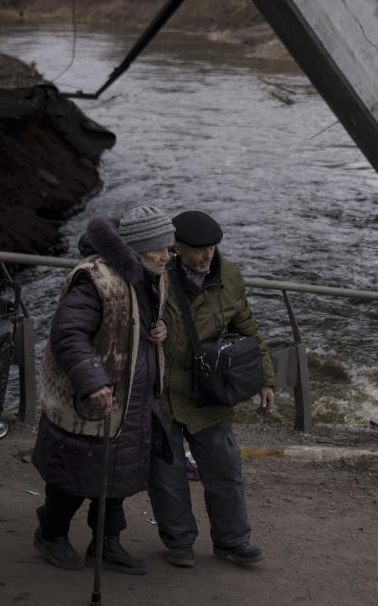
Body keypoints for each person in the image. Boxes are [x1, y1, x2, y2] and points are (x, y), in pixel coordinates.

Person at [31, 204, 176, 575]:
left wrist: (161, 329)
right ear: (138, 247)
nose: (167, 254)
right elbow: (68, 333)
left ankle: (107, 543)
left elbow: (139, 320)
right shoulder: (96, 278)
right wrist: (92, 380)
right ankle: (51, 535)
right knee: (74, 474)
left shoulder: (153, 273)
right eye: (160, 248)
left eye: (169, 246)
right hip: (93, 395)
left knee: (119, 474)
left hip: (133, 395)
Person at [148, 209, 276, 568]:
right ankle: (179, 542)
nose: (208, 255)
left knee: (224, 468)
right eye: (200, 249)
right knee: (166, 475)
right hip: (162, 391)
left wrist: (266, 379)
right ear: (177, 246)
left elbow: (249, 329)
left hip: (210, 390)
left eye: (213, 248)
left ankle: (233, 542)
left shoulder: (229, 276)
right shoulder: (156, 273)